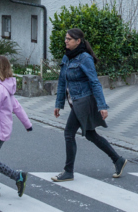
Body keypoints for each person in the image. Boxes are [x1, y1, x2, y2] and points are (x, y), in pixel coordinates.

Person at [52, 28, 126, 182]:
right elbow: (62, 82)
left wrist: (102, 106)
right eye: (65, 38)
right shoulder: (67, 58)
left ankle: (68, 171)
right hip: (75, 100)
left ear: (78, 41)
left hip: (84, 101)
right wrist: (58, 103)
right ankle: (117, 160)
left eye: (69, 39)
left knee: (69, 133)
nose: (66, 41)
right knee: (91, 134)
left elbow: (94, 82)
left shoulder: (85, 58)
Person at [0, 55, 33, 197]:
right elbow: (17, 107)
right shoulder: (6, 86)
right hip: (1, 129)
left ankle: (17, 176)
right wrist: (28, 124)